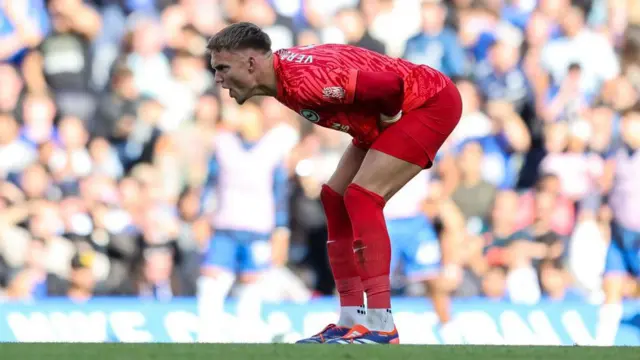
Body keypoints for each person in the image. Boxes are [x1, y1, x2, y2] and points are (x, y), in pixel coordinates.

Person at [206, 22, 462, 344]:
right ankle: (350, 320)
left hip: (429, 102)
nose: (217, 78)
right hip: (383, 116)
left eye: (223, 68)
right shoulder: (281, 75)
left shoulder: (302, 83)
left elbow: (390, 87)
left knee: (362, 196)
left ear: (251, 64)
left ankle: (381, 324)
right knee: (334, 197)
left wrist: (389, 127)